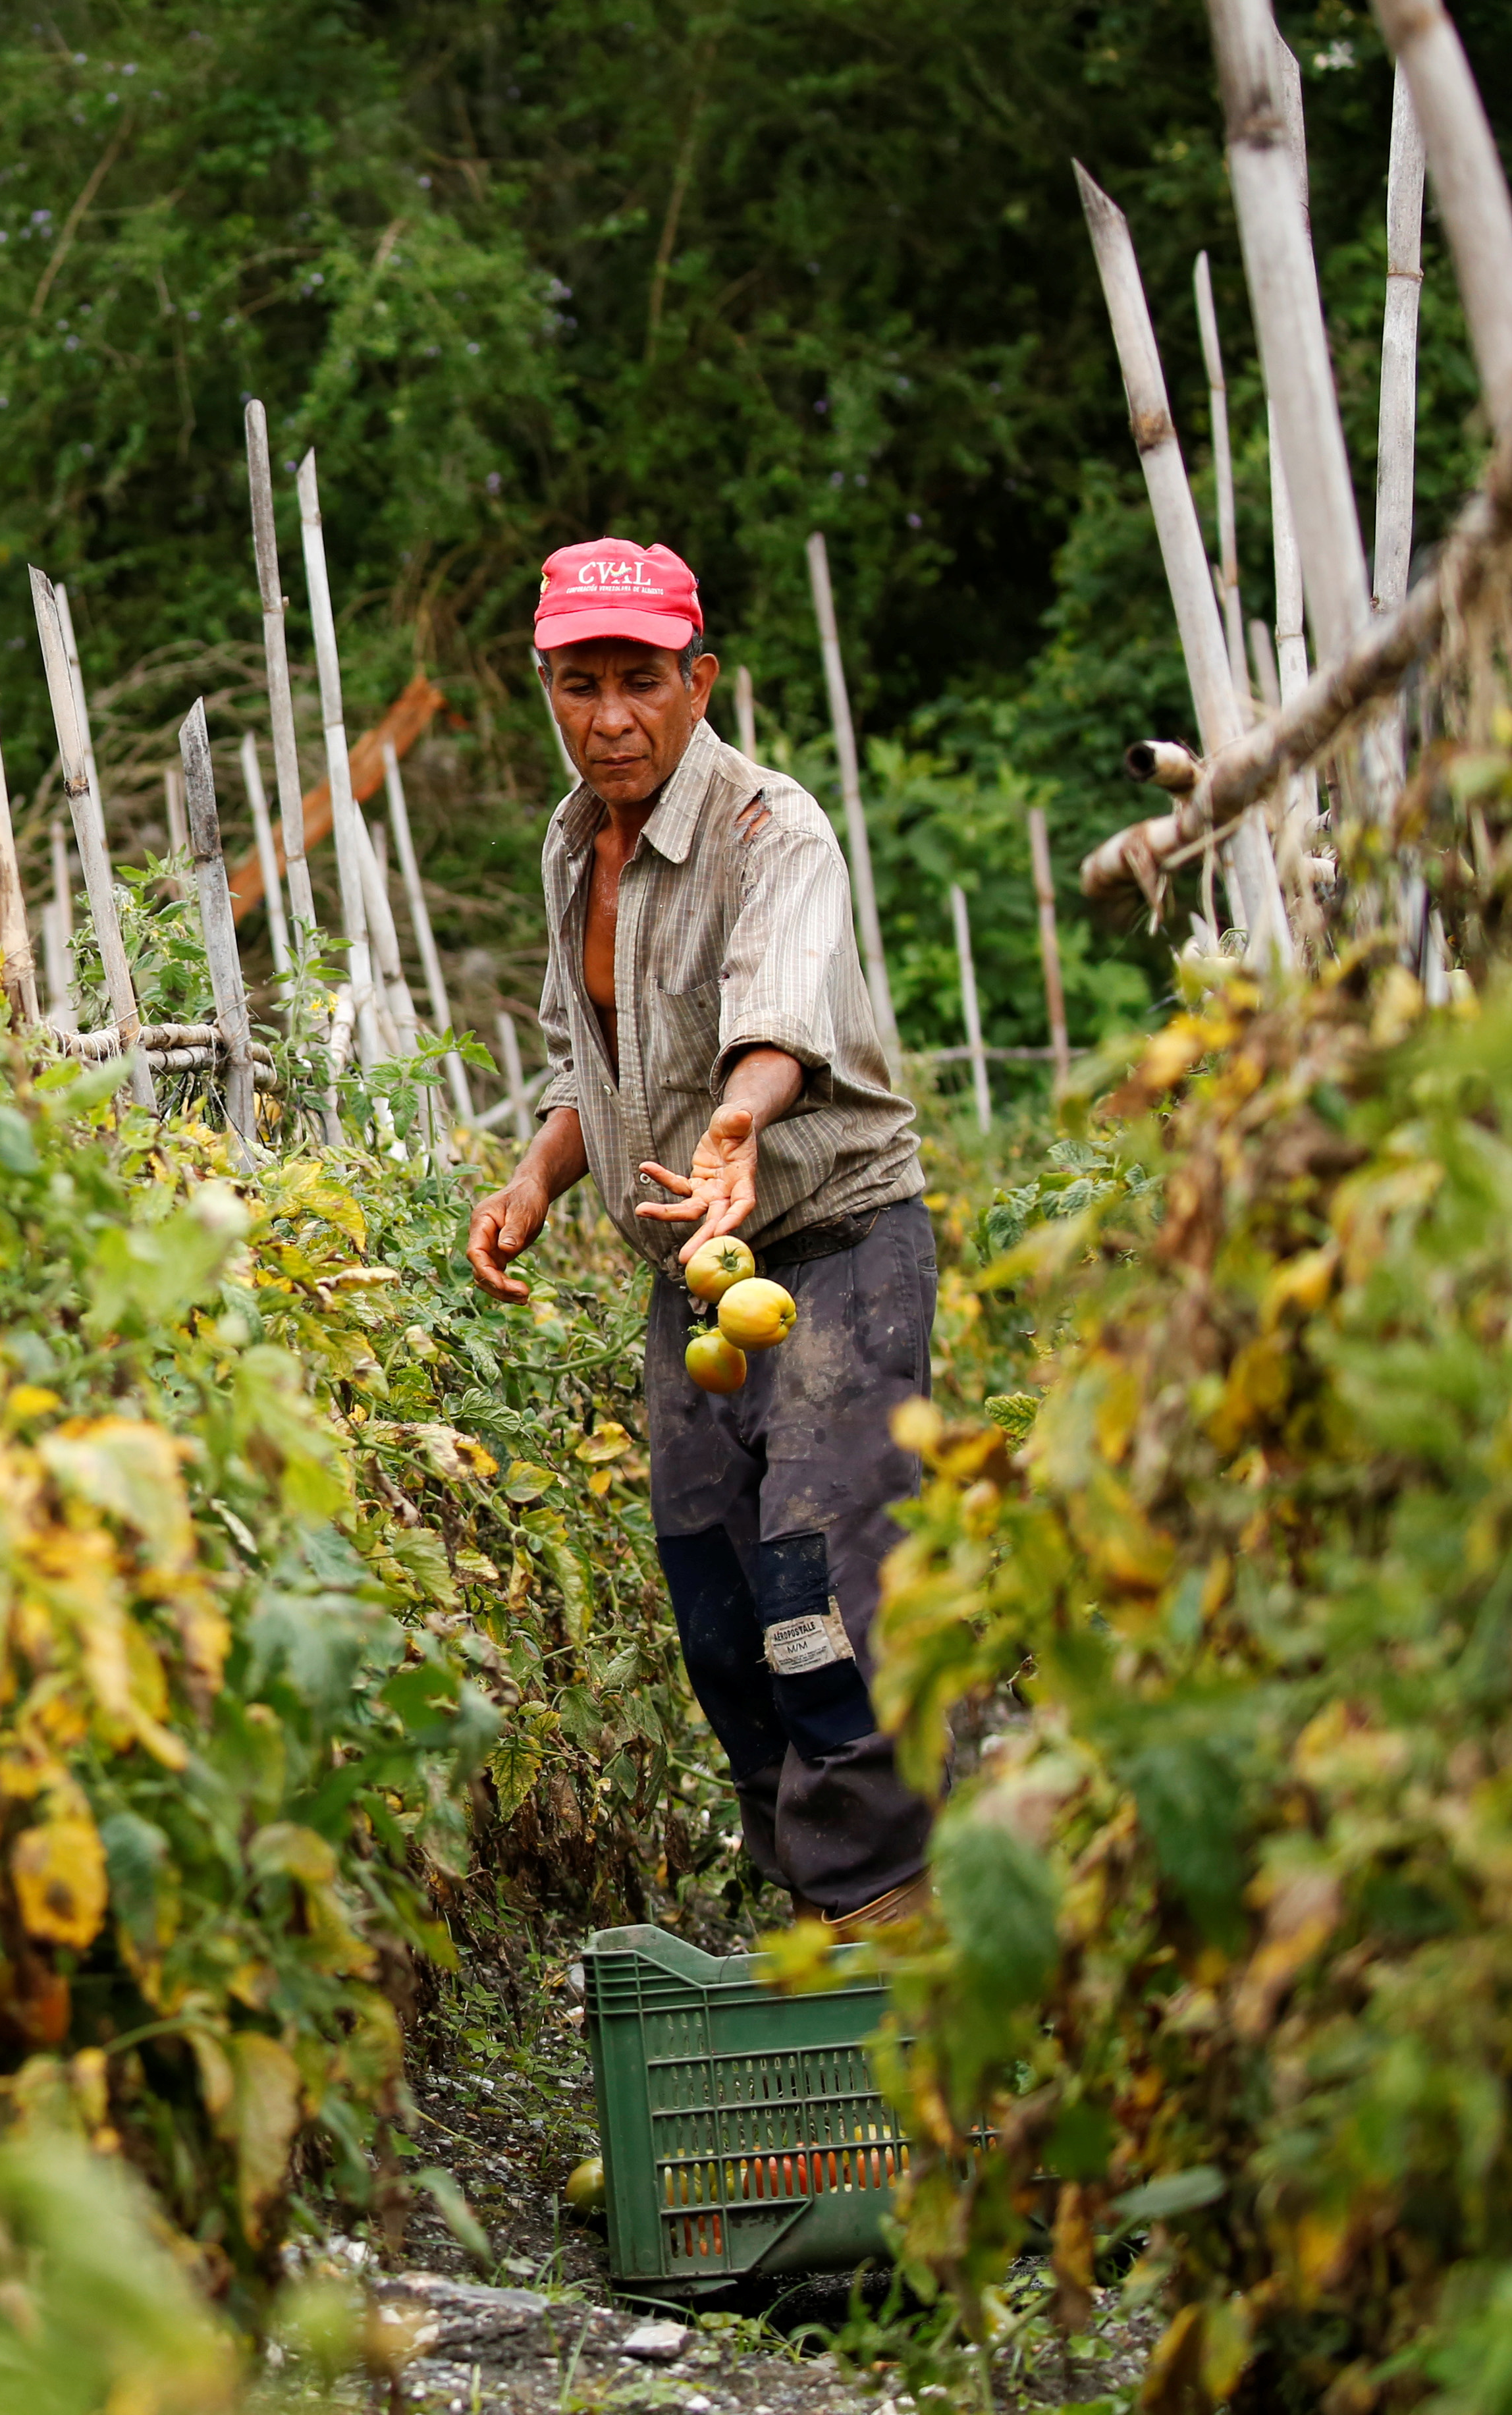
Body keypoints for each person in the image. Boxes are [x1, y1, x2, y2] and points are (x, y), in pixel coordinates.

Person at [462, 538, 935, 1934]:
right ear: (543, 685)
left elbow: (773, 1012)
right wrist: (538, 1177)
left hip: (832, 1241)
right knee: (716, 1592)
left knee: (813, 1564)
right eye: (577, 683)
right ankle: (810, 1897)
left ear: (697, 680)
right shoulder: (570, 846)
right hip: (697, 1264)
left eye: (639, 682)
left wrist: (737, 1119)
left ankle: (889, 1911)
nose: (609, 716)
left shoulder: (764, 827)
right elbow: (584, 1058)